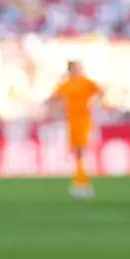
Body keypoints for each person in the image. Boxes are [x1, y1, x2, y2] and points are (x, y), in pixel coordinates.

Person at [49, 61, 103, 198]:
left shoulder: (86, 82)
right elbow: (54, 97)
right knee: (77, 152)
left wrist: (94, 104)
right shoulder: (67, 84)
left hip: (83, 120)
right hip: (72, 122)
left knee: (80, 151)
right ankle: (81, 182)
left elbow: (100, 92)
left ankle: (81, 183)